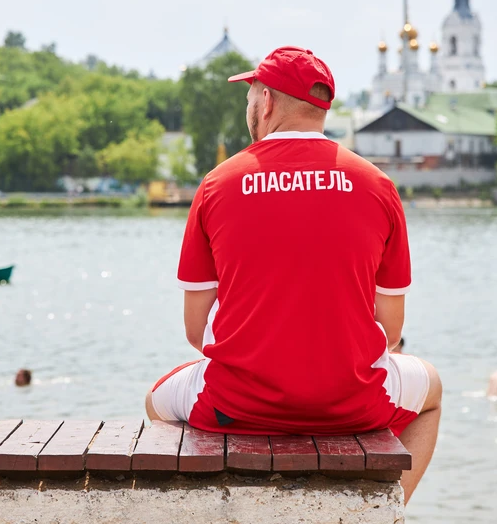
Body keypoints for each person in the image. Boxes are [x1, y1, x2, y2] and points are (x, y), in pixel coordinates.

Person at [144, 47, 441, 504]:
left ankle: (216, 508)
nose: (248, 107)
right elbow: (393, 330)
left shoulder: (218, 183)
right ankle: (388, 512)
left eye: (249, 96)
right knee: (433, 390)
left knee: (156, 401)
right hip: (351, 402)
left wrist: (259, 359)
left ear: (265, 102)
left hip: (235, 403)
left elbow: (194, 329)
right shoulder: (378, 185)